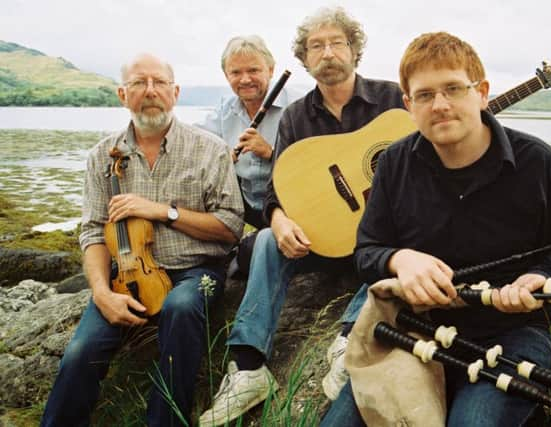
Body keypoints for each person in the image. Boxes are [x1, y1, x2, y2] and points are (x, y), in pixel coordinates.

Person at [321, 32, 551, 427]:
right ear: (409, 105)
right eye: (425, 95)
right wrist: (400, 259)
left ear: (481, 92)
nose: (441, 105)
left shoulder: (539, 163)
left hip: (512, 332)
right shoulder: (394, 164)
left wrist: (542, 276)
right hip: (413, 330)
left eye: (453, 89)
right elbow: (367, 252)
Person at [198, 7, 404, 426]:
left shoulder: (392, 99)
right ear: (305, 59)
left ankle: (349, 340)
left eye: (336, 42)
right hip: (323, 239)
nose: (327, 52)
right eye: (316, 46)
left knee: (410, 233)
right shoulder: (296, 116)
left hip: (378, 244)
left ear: (354, 50)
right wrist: (278, 219)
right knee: (269, 242)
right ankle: (248, 367)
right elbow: (278, 188)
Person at [40, 53, 244, 427]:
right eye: (138, 83)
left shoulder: (210, 149)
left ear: (175, 92)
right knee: (80, 352)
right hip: (124, 277)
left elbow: (230, 226)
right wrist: (101, 292)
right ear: (122, 94)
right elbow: (92, 232)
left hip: (194, 271)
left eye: (159, 82)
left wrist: (162, 211)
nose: (150, 91)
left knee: (181, 308)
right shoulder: (103, 155)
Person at [199, 35, 299, 230]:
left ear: (270, 70)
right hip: (245, 209)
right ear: (227, 76)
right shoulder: (224, 109)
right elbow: (194, 141)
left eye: (253, 70)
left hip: (292, 207)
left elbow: (315, 165)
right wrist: (217, 157)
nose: (245, 79)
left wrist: (271, 152)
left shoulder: (298, 105)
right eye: (236, 72)